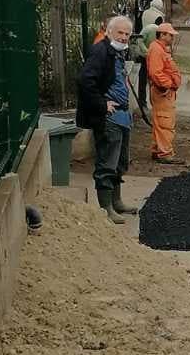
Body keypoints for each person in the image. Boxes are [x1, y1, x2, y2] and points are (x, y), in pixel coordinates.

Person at [76, 14, 137, 224]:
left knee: (120, 161)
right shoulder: (100, 51)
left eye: (127, 34)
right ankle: (106, 208)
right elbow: (85, 81)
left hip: (122, 116)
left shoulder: (116, 53)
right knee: (107, 162)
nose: (123, 37)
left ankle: (117, 201)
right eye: (120, 32)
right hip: (109, 118)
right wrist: (102, 105)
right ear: (109, 31)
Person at [146, 21, 183, 164]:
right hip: (162, 92)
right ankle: (165, 153)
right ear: (162, 35)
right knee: (165, 122)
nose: (172, 38)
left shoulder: (159, 49)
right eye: (170, 35)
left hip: (163, 91)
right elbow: (156, 73)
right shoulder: (157, 49)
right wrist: (169, 85)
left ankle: (158, 149)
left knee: (160, 121)